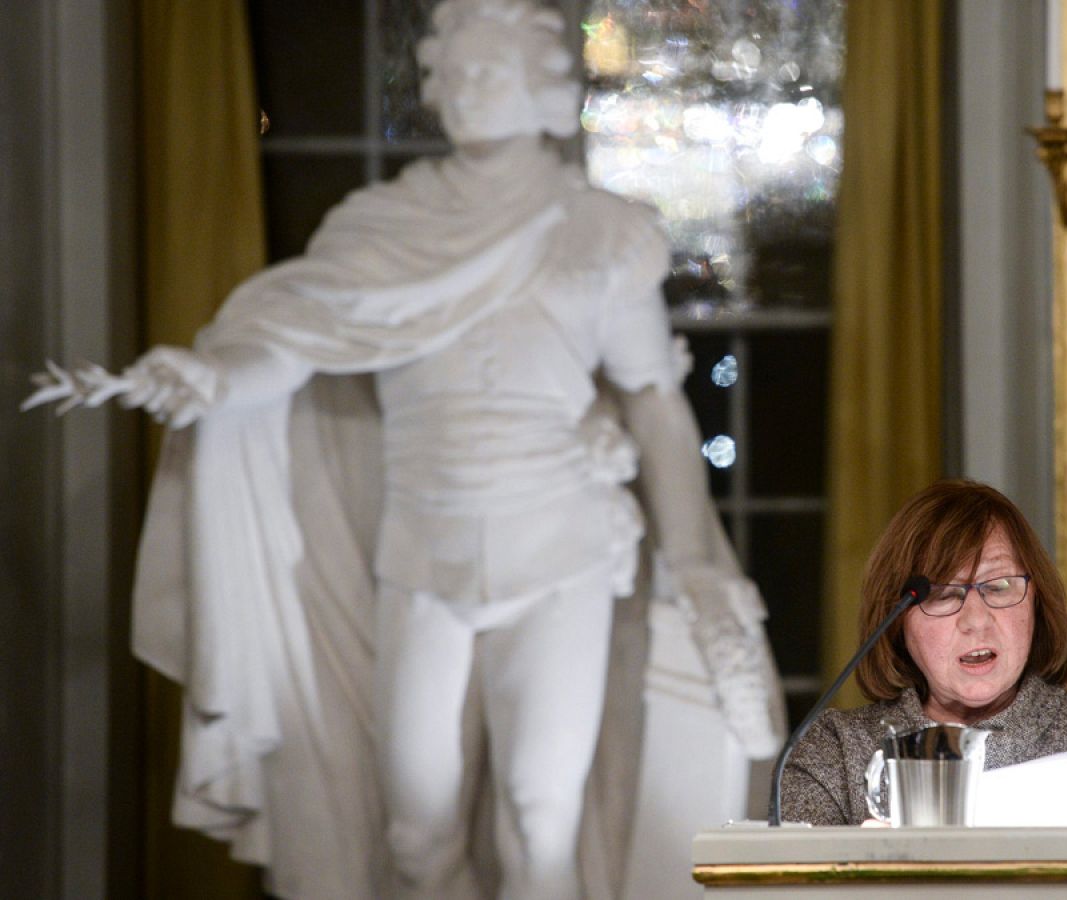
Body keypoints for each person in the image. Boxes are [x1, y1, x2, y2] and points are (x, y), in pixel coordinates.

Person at [26, 2, 781, 898]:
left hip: (560, 551)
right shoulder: (379, 226)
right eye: (449, 73)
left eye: (487, 71)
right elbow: (294, 340)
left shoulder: (601, 233)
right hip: (421, 551)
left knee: (541, 820)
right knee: (415, 831)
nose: (463, 89)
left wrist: (694, 559)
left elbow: (654, 403)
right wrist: (215, 378)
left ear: (543, 88)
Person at [778, 479, 1067, 826]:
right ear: (898, 619)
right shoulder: (835, 753)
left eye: (998, 587)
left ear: (1037, 601)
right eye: (943, 595)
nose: (976, 620)